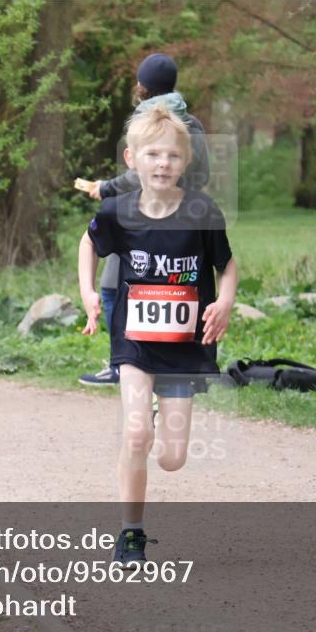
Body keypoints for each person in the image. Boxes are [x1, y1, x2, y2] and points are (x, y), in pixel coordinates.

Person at [78, 106, 237, 565]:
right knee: (133, 435)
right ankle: (131, 532)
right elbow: (89, 243)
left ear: (184, 163)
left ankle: (150, 420)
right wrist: (89, 291)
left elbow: (226, 265)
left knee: (171, 458)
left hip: (184, 348)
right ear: (132, 159)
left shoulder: (202, 211)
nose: (162, 163)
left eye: (171, 155)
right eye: (152, 154)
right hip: (135, 342)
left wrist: (224, 300)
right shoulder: (117, 211)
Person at [78, 52, 211, 387]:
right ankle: (171, 360)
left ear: (143, 86)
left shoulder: (144, 120)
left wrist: (106, 188)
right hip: (185, 218)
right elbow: (205, 173)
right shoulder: (192, 123)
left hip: (140, 215)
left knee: (112, 286)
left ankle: (122, 362)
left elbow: (138, 175)